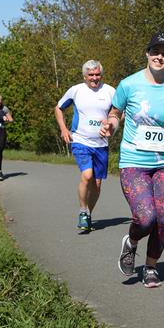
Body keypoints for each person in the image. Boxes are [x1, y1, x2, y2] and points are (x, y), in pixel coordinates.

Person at [100, 32, 164, 288]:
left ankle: (151, 267)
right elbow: (115, 113)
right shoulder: (128, 84)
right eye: (155, 52)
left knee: (162, 218)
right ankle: (131, 242)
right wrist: (110, 127)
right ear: (147, 53)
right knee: (145, 218)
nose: (159, 57)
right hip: (133, 162)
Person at [55, 60, 115, 231]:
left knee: (97, 184)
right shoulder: (76, 90)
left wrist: (111, 124)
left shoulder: (110, 91)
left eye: (97, 74)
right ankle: (82, 211)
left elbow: (120, 112)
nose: (94, 78)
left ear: (101, 75)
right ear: (84, 76)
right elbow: (58, 108)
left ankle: (88, 214)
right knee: (87, 175)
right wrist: (64, 129)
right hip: (80, 140)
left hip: (101, 144)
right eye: (91, 75)